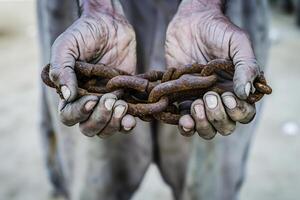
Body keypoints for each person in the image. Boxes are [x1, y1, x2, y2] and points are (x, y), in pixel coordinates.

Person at [37, 0, 269, 199]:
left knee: (209, 185)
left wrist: (204, 5)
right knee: (89, 182)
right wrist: (97, 7)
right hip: (94, 24)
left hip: (216, 23)